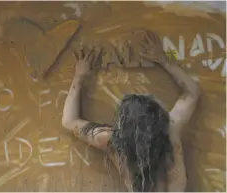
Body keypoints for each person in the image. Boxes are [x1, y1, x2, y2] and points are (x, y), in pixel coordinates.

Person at [62, 43, 201, 191]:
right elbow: (192, 92)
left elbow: (69, 121)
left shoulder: (113, 143)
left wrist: (79, 77)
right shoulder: (169, 129)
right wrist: (165, 60)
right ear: (157, 117)